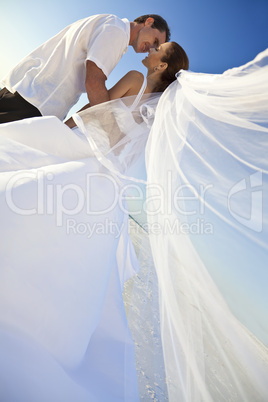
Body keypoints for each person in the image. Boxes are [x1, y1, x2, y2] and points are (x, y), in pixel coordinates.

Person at [0, 42, 188, 401]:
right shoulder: (161, 110)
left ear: (162, 65)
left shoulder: (134, 78)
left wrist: (62, 128)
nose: (150, 50)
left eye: (158, 48)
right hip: (108, 176)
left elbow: (94, 110)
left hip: (88, 147)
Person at [0, 14, 170, 124]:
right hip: (34, 102)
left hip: (22, 92)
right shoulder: (117, 31)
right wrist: (108, 130)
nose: (151, 48)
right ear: (148, 22)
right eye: (156, 41)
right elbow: (94, 81)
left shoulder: (109, 23)